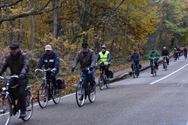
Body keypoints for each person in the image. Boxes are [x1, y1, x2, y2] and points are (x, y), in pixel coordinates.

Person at [0, 43, 29, 118]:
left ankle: (23, 111)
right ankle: (13, 104)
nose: (12, 51)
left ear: (18, 49)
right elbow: (4, 66)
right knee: (7, 88)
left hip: (22, 77)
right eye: (11, 49)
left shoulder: (23, 56)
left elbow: (25, 66)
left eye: (14, 49)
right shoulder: (9, 58)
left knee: (21, 93)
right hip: (13, 76)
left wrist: (22, 73)